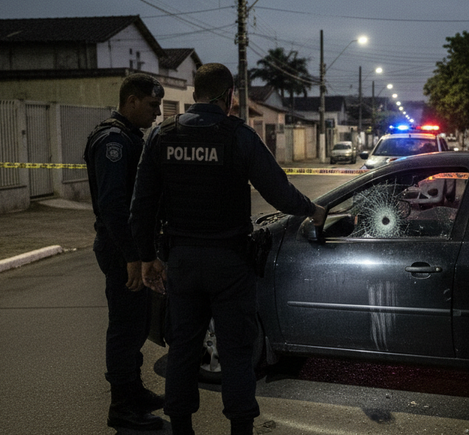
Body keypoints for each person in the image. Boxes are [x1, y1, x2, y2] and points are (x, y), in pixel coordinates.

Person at [129, 63, 326, 435]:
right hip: (229, 263)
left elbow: (141, 204)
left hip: (182, 261)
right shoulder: (239, 135)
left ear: (193, 95)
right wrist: (312, 210)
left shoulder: (161, 135)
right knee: (236, 352)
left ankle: (182, 427)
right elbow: (279, 192)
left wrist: (147, 257)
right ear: (230, 97)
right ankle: (240, 429)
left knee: (183, 351)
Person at [83, 74, 166, 431]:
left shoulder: (129, 136)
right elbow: (114, 206)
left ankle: (134, 390)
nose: (158, 112)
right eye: (152, 105)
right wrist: (133, 255)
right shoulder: (113, 141)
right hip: (121, 249)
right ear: (131, 101)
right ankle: (122, 406)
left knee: (135, 325)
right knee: (125, 326)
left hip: (130, 247)